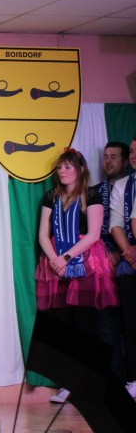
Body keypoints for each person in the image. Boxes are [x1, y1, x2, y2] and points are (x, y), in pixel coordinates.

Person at [36, 148, 118, 404]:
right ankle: (68, 383)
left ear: (80, 170)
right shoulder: (51, 196)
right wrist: (54, 259)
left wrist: (67, 258)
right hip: (56, 265)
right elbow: (43, 234)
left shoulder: (91, 195)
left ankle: (90, 383)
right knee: (64, 326)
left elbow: (94, 234)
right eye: (60, 167)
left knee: (86, 325)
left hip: (85, 263)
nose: (62, 171)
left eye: (67, 167)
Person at [96, 142, 130, 384]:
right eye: (105, 156)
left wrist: (122, 252)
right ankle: (114, 381)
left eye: (114, 157)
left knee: (130, 324)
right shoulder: (95, 191)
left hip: (127, 260)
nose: (108, 161)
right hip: (103, 268)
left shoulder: (130, 187)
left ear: (125, 162)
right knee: (106, 326)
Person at [110, 137, 136, 400]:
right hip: (130, 261)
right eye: (133, 151)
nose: (135, 155)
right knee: (130, 322)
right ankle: (133, 378)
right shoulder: (122, 185)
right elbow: (116, 222)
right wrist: (128, 250)